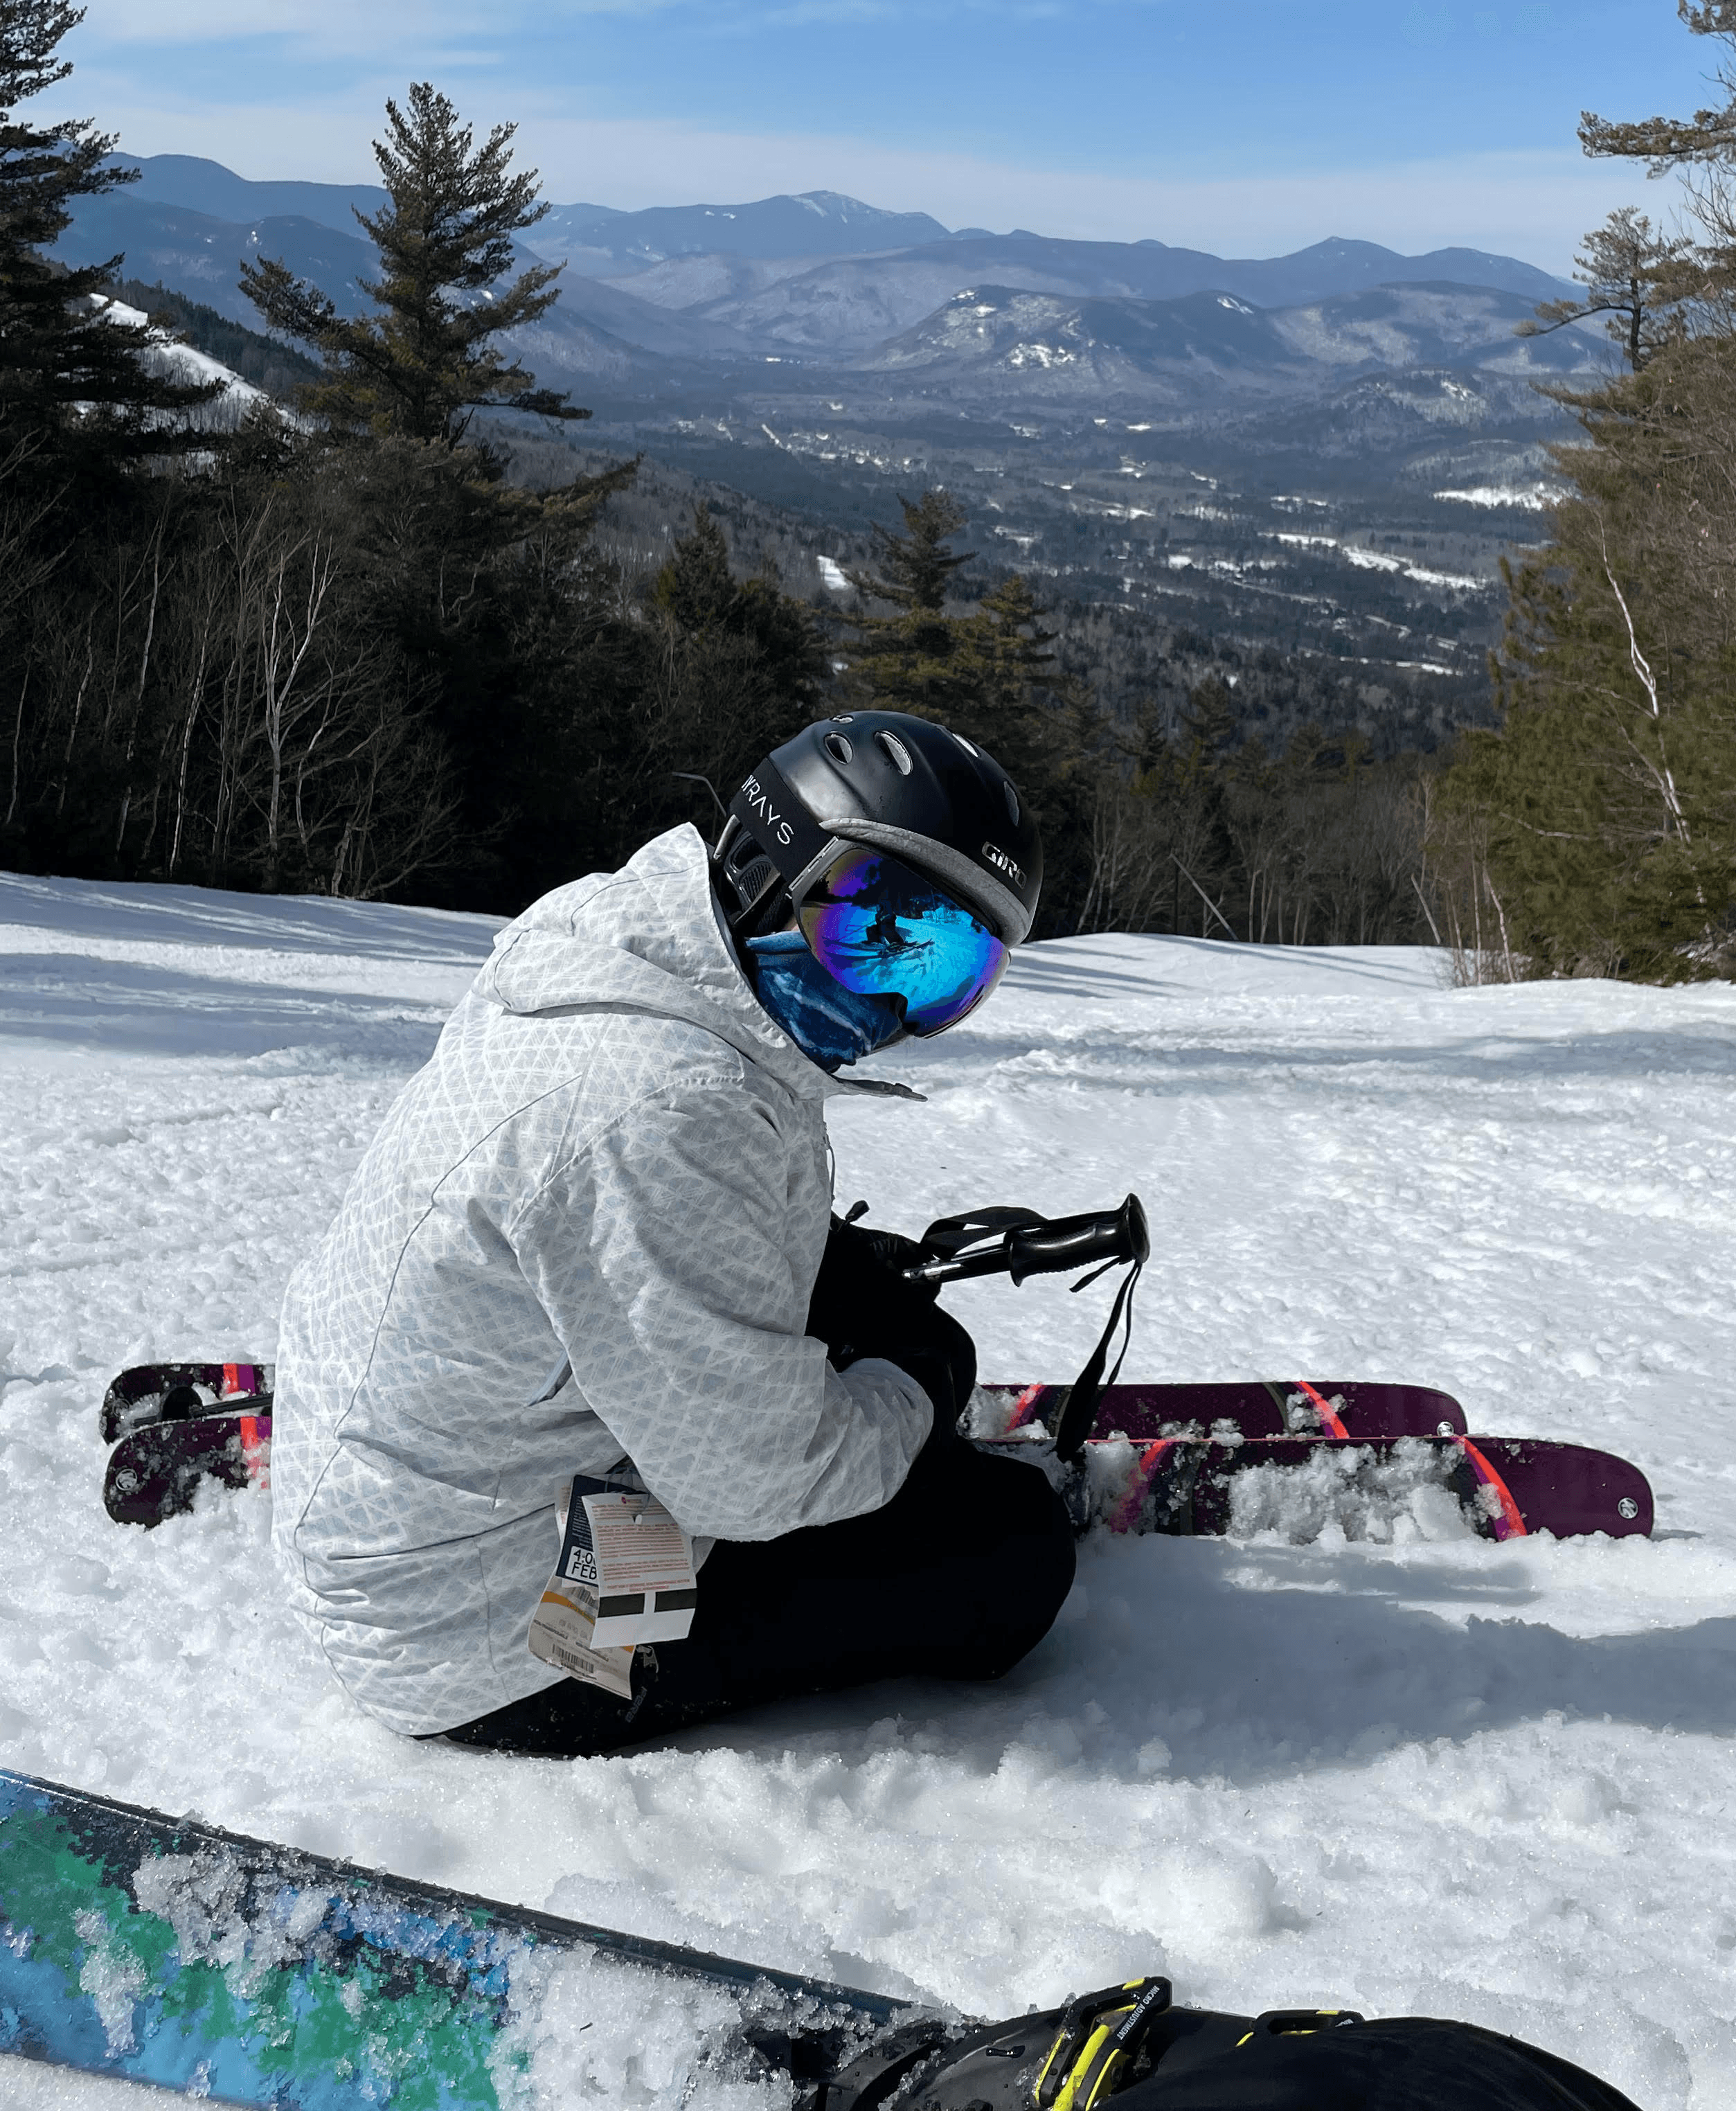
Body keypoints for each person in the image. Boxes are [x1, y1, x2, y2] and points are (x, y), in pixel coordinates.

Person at [271, 710, 1075, 1756]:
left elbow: (623, 1206)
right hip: (483, 1645)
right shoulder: (658, 1108)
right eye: (870, 928)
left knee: (880, 1452)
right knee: (1006, 1551)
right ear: (763, 862)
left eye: (945, 975)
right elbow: (752, 1483)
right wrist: (918, 1384)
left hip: (409, 1542)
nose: (888, 1004)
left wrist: (810, 1263)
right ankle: (613, 1661)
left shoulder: (610, 958)